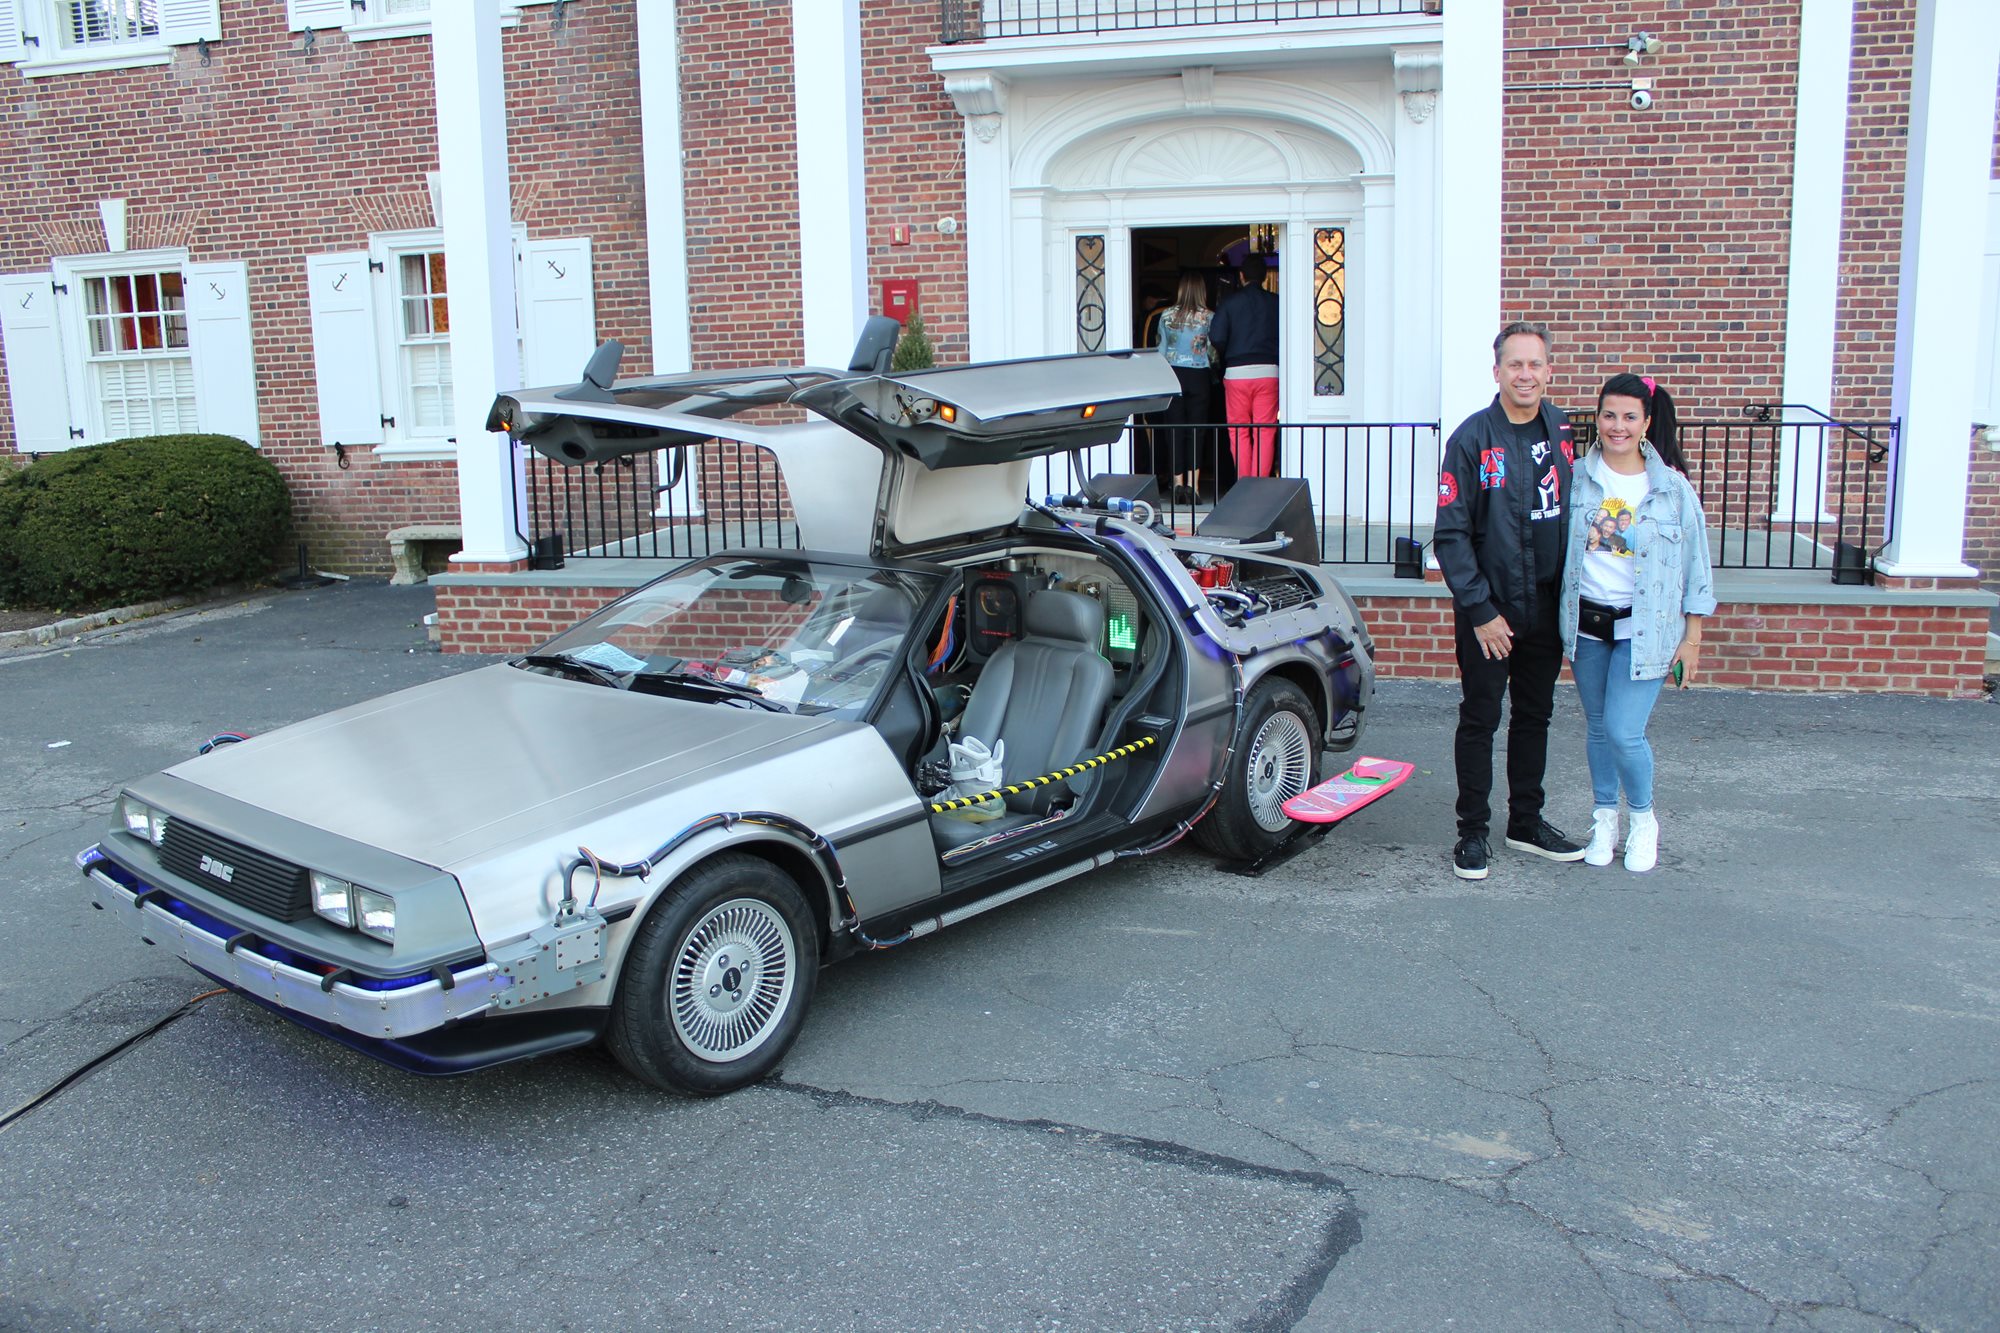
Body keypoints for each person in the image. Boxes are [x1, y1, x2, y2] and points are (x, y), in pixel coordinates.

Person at [1431, 321, 1586, 880]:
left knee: (1534, 717)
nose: (1526, 374)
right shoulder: (1471, 439)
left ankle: (1526, 821)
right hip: (1489, 613)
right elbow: (1450, 536)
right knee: (1480, 719)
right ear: (1496, 371)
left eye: (1535, 364)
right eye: (1515, 364)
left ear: (1549, 370)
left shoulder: (1562, 430)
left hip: (1544, 606)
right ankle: (1471, 831)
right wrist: (1481, 611)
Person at [1558, 373, 1714, 873]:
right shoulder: (1576, 479)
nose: (1617, 426)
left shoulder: (1671, 489)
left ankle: (1643, 819)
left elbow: (1696, 569)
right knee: (1598, 728)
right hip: (1587, 626)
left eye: (1629, 416)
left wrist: (1692, 639)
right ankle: (1605, 817)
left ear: (1646, 422)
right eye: (1609, 415)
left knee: (1624, 731)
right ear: (1597, 419)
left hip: (1643, 630)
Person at [1206, 252, 1280, 483]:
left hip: (1237, 372)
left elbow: (1216, 337)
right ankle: (1259, 484)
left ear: (1241, 276)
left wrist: (1229, 351)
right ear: (1265, 277)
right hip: (1268, 371)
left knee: (1239, 430)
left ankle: (1244, 483)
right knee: (1265, 430)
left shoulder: (1230, 303)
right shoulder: (1276, 302)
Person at [1148, 271, 1214, 504]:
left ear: (1180, 290)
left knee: (1174, 429)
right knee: (1196, 430)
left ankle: (1177, 485)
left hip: (1173, 375)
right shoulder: (1209, 317)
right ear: (1201, 291)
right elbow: (1212, 352)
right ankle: (1193, 486)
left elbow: (1161, 350)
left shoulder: (1166, 316)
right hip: (1199, 374)